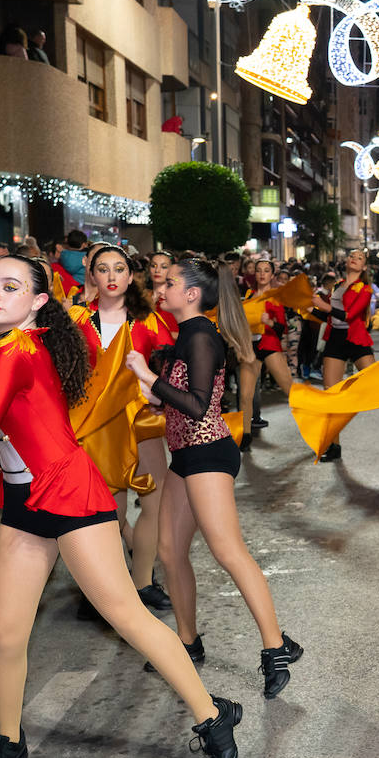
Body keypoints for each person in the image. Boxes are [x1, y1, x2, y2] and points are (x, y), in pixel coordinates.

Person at [0, 255, 242, 758]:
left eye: (10, 287)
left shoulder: (17, 349)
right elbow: (6, 424)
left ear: (38, 300)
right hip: (23, 500)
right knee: (6, 632)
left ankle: (213, 718)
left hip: (70, 496)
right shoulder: (15, 347)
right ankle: (8, 741)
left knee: (127, 616)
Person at [125, 259, 303, 698]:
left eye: (170, 282)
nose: (161, 287)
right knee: (170, 551)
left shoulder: (202, 335)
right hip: (185, 454)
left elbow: (199, 405)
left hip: (207, 452)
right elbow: (180, 400)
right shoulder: (186, 333)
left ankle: (275, 648)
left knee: (228, 551)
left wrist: (148, 377)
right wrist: (152, 395)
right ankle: (188, 642)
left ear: (191, 294)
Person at [72, 246, 174, 608]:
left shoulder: (149, 321)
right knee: (109, 514)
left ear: (131, 276)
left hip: (141, 421)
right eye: (103, 269)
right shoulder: (76, 318)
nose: (112, 276)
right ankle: (102, 586)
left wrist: (160, 394)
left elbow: (171, 368)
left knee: (155, 503)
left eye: (119, 268)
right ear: (92, 275)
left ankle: (143, 582)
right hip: (95, 428)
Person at [310, 249, 379, 463]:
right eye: (352, 256)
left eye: (359, 257)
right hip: (335, 340)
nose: (354, 258)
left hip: (356, 340)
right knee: (331, 394)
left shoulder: (365, 289)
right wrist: (308, 308)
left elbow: (350, 315)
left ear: (363, 267)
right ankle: (335, 445)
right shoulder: (337, 285)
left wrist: (323, 305)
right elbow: (328, 316)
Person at [237, 259, 294, 449]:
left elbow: (282, 329)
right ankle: (245, 437)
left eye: (266, 270)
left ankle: (317, 421)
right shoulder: (248, 295)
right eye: (259, 270)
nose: (262, 274)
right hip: (250, 347)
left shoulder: (275, 296)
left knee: (290, 391)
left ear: (272, 275)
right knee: (245, 395)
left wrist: (269, 322)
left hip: (269, 345)